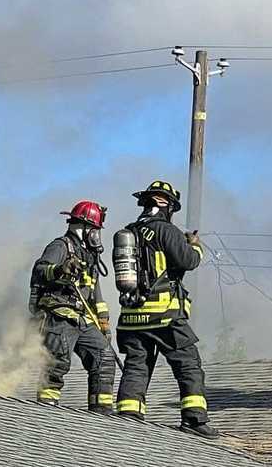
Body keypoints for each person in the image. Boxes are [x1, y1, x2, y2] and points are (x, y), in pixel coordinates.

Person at [114, 180, 217, 439]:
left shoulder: (130, 231)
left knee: (137, 364)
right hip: (164, 315)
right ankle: (194, 421)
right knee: (188, 364)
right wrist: (194, 244)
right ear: (166, 205)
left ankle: (129, 416)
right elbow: (188, 261)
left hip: (131, 317)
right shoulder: (166, 230)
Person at [30, 200, 116, 413]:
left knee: (104, 356)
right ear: (84, 227)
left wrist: (103, 322)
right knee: (57, 361)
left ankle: (102, 413)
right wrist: (61, 270)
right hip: (58, 315)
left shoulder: (89, 255)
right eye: (95, 230)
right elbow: (40, 270)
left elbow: (95, 291)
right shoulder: (60, 246)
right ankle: (46, 411)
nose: (97, 235)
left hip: (81, 318)